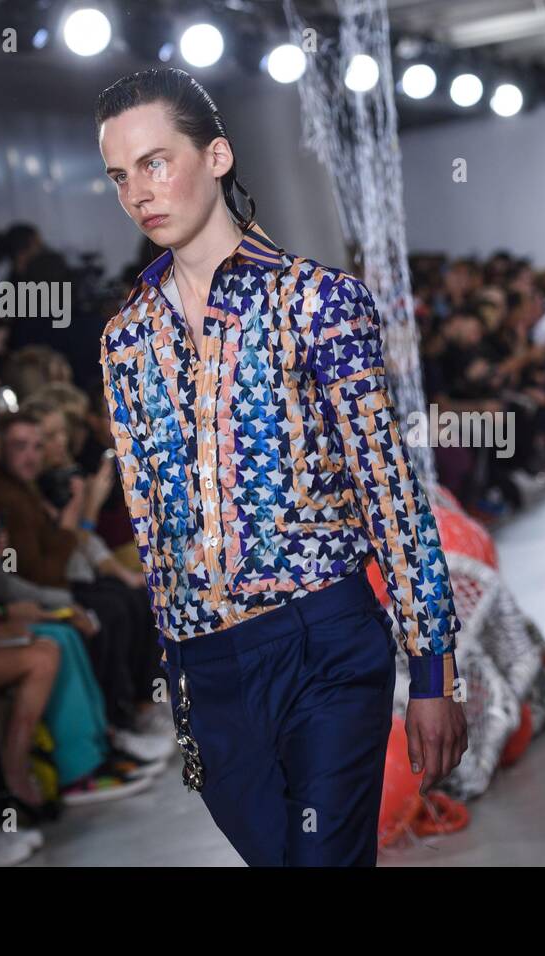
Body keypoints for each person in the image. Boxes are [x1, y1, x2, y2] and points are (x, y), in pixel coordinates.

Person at [94, 67, 466, 865]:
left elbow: (391, 495)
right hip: (209, 672)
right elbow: (152, 527)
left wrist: (432, 671)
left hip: (323, 643)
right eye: (121, 175)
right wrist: (180, 683)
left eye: (157, 162)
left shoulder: (317, 303)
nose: (139, 192)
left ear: (218, 155)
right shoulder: (125, 339)